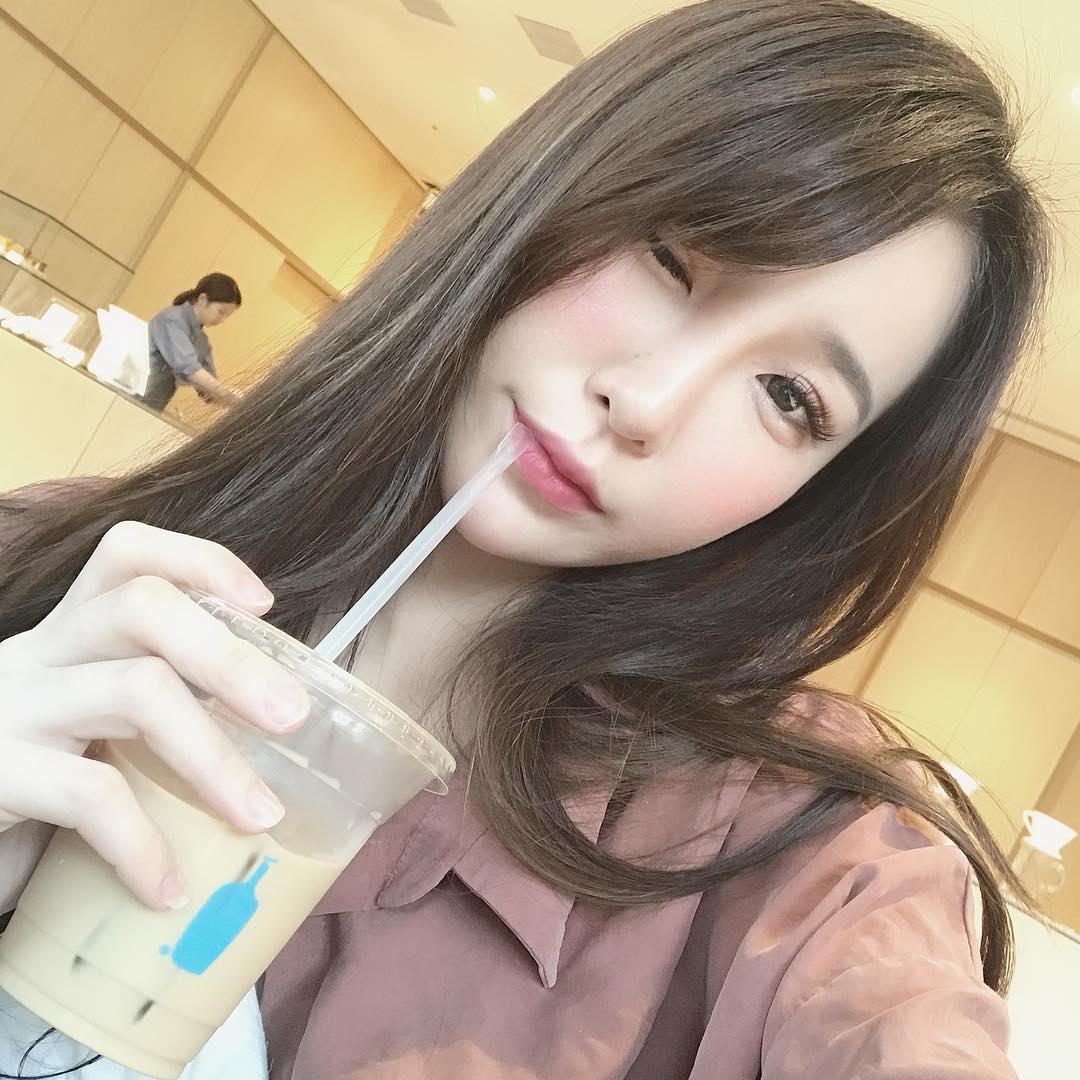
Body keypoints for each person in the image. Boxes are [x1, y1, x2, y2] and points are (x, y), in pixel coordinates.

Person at [0, 1, 1053, 1076]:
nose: (647, 402)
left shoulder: (801, 842)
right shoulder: (56, 581)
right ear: (557, 187)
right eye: (671, 259)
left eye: (790, 396)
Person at [142, 273, 242, 412]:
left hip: (151, 408)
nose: (222, 320)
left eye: (227, 316)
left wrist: (235, 401)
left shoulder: (202, 342)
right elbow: (189, 368)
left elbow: (207, 388)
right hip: (132, 399)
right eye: (221, 312)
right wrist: (227, 396)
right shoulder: (172, 320)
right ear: (203, 299)